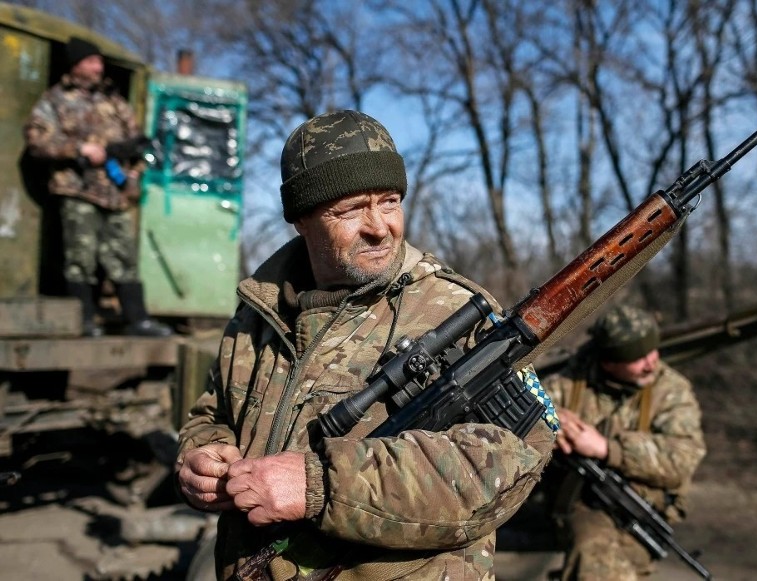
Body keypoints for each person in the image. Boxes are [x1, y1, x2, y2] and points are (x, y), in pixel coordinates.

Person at [175, 110, 556, 580]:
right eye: (350, 210)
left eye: (390, 201)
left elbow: (510, 462)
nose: (380, 226)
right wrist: (201, 457)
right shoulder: (258, 313)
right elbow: (212, 416)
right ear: (302, 219)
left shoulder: (457, 314)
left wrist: (321, 485)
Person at [543, 305, 706, 581]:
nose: (651, 362)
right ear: (608, 363)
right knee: (595, 554)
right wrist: (549, 424)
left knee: (603, 562)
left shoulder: (671, 391)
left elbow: (683, 457)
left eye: (652, 350)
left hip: (641, 504)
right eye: (637, 357)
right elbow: (531, 405)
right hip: (575, 504)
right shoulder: (571, 381)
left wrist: (607, 449)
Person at [24, 36, 172, 337]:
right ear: (76, 65)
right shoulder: (55, 99)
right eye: (91, 61)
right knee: (81, 258)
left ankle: (137, 320)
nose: (97, 67)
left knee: (124, 257)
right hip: (77, 190)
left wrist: (133, 176)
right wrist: (80, 149)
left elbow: (138, 144)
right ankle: (83, 322)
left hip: (114, 193)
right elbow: (36, 140)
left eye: (99, 61)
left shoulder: (114, 102)